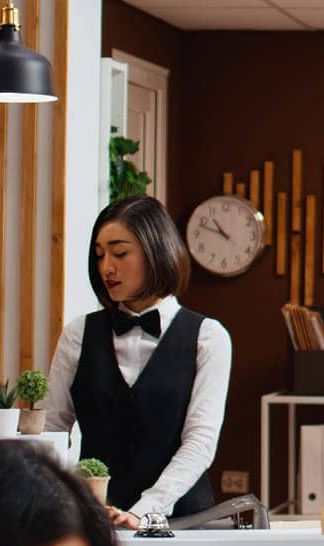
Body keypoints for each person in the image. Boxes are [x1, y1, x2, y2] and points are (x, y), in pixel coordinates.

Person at [45, 196, 233, 529]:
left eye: (119, 253)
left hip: (182, 525)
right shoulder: (78, 334)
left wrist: (146, 509)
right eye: (100, 254)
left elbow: (200, 442)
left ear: (155, 251)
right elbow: (52, 431)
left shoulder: (208, 337)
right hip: (96, 525)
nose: (107, 267)